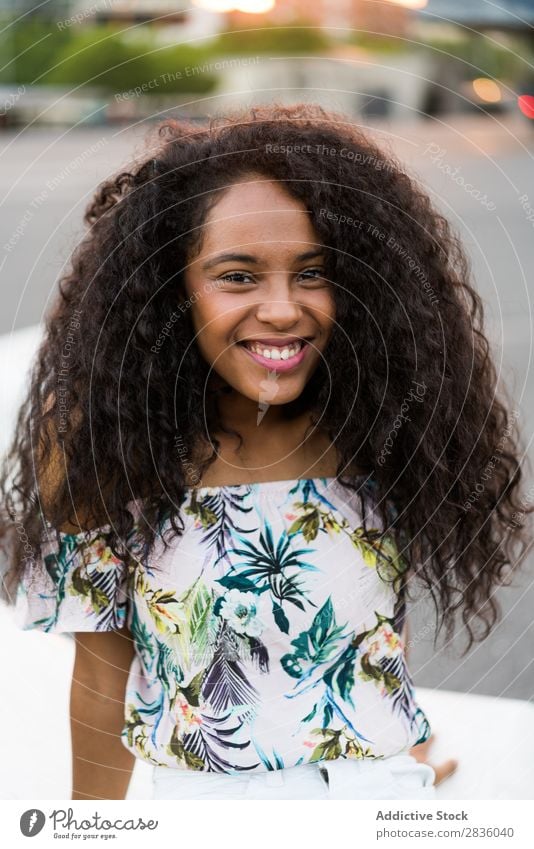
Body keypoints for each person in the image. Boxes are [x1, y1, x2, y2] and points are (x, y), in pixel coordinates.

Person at [0, 103, 529, 801]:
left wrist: (400, 745)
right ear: (171, 290)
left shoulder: (381, 426)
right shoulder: (115, 454)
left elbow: (357, 655)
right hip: (204, 819)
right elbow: (100, 681)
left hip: (382, 805)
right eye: (238, 276)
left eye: (312, 272)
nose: (282, 309)